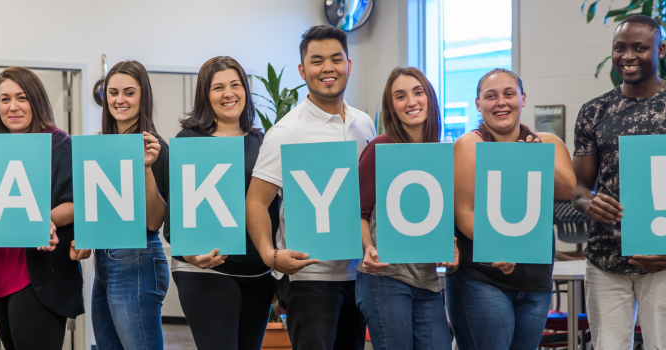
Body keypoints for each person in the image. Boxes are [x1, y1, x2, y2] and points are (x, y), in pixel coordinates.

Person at [245, 25, 375, 350]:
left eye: (336, 59)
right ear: (303, 70)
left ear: (349, 64)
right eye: (317, 61)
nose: (327, 68)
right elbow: (256, 202)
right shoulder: (286, 132)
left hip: (359, 275)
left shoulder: (364, 125)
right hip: (310, 280)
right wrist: (271, 256)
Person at [572, 15, 666, 349]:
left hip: (665, 259)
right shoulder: (594, 111)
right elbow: (580, 189)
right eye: (619, 48)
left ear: (661, 50)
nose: (627, 56)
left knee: (664, 346)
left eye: (639, 48)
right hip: (605, 257)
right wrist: (589, 203)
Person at [447, 68, 576, 350]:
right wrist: (498, 246)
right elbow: (463, 211)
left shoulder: (547, 143)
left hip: (535, 280)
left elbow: (568, 189)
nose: (501, 102)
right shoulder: (470, 144)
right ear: (478, 104)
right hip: (482, 277)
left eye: (509, 94)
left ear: (523, 98)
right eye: (490, 96)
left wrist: (534, 157)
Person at [170, 56, 279, 350]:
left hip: (259, 275)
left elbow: (274, 212)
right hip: (207, 272)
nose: (229, 93)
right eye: (218, 87)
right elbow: (175, 217)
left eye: (235, 85)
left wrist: (278, 271)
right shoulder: (190, 140)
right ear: (205, 95)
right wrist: (191, 255)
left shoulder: (262, 141)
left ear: (246, 89)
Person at [69, 60, 169, 350]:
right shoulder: (104, 145)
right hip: (105, 261)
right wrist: (87, 237)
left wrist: (147, 168)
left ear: (143, 97)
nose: (119, 100)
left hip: (138, 260)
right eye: (113, 92)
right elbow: (104, 208)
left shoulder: (154, 147)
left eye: (129, 92)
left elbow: (153, 221)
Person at [0, 66, 82, 350]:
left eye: (21, 97)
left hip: (37, 273)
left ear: (36, 101)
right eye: (4, 99)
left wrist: (35, 219)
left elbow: (75, 203)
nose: (12, 106)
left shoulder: (60, 144)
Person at [355, 67, 455, 350]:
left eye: (417, 92)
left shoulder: (438, 152)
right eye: (400, 96)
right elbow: (357, 212)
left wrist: (450, 248)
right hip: (385, 279)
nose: (411, 101)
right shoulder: (381, 146)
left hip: (427, 280)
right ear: (392, 107)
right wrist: (367, 248)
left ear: (429, 98)